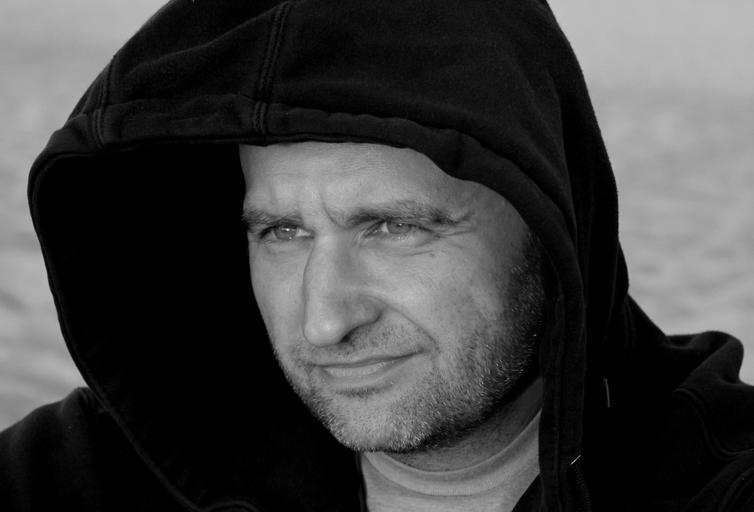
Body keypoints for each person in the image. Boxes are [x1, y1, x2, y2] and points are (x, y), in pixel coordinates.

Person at [1, 0, 752, 510]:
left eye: (393, 228)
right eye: (282, 232)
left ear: (549, 224)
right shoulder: (79, 477)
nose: (325, 321)